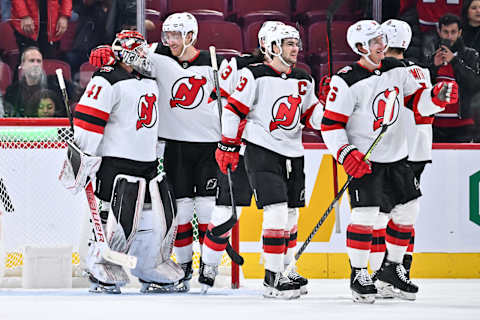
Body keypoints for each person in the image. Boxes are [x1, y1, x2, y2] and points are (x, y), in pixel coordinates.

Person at [89, 12, 230, 291]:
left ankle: (208, 265)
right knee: (179, 210)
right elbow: (127, 53)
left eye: (177, 35)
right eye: (168, 35)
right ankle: (184, 264)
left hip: (207, 146)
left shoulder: (216, 64)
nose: (170, 41)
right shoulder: (155, 55)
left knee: (204, 209)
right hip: (174, 145)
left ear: (191, 35)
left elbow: (237, 98)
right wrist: (106, 52)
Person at [320, 20, 457, 303]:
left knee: (408, 212)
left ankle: (391, 269)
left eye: (382, 39)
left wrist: (436, 98)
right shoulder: (345, 79)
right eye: (375, 42)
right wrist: (346, 154)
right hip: (366, 160)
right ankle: (359, 273)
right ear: (360, 47)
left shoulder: (398, 69)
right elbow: (330, 125)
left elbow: (417, 104)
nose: (382, 45)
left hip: (398, 157)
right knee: (366, 217)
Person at [59, 30, 185, 294]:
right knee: (118, 219)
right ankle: (101, 264)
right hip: (116, 165)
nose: (144, 55)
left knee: (157, 218)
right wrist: (82, 159)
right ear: (125, 53)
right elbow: (88, 122)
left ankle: (150, 265)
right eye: (138, 51)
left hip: (149, 163)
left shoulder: (148, 78)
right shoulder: (106, 79)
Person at [199, 20, 309, 295]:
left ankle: (284, 267)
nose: (293, 47)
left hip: (268, 147)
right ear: (266, 43)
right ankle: (209, 264)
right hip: (240, 148)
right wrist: (230, 140)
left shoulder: (293, 74)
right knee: (226, 209)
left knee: (286, 212)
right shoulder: (239, 67)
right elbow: (221, 105)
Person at [367, 19, 435, 299]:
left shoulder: (386, 71)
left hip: (397, 150)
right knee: (406, 213)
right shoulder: (420, 71)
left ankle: (380, 274)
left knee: (382, 214)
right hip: (420, 150)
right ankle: (400, 269)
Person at [421, 13, 480, 142]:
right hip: (434, 124)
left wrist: (454, 61)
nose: (449, 36)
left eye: (453, 32)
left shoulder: (470, 55)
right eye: (445, 32)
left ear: (460, 33)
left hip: (463, 125)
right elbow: (421, 87)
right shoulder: (430, 55)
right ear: (439, 32)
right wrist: (433, 67)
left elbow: (475, 84)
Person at [3, 46, 77, 117]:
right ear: (23, 65)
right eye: (31, 61)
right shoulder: (12, 91)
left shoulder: (56, 83)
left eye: (39, 61)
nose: (36, 64)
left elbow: (72, 101)